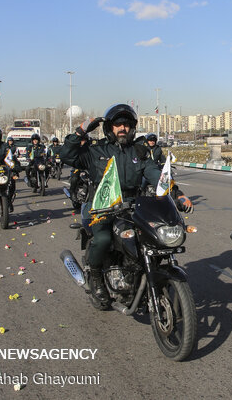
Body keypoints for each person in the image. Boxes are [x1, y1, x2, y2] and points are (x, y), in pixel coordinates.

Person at [60, 103, 193, 304]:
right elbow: (66, 156)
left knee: (152, 236)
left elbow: (155, 175)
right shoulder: (96, 151)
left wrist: (176, 193)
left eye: (127, 124)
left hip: (132, 205)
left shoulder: (138, 152)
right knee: (104, 239)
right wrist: (82, 129)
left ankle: (144, 273)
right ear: (110, 127)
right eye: (118, 124)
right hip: (102, 206)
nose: (123, 128)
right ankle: (96, 277)